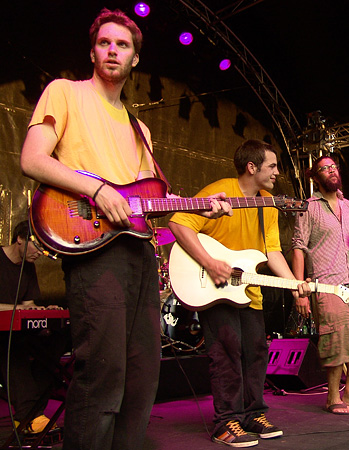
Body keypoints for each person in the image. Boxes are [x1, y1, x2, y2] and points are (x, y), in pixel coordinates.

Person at [19, 9, 229, 449]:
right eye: (105, 43)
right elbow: (33, 160)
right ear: (93, 51)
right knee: (102, 371)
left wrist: (198, 207)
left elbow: (143, 201)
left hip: (138, 251)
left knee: (141, 375)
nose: (113, 50)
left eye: (123, 45)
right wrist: (96, 189)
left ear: (135, 59)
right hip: (95, 250)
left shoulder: (141, 130)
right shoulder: (65, 92)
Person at [169, 139, 310, 448]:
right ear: (252, 167)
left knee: (257, 351)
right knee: (227, 352)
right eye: (272, 166)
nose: (277, 172)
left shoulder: (268, 202)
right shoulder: (219, 190)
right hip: (213, 287)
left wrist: (293, 284)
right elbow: (178, 223)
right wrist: (209, 262)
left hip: (249, 290)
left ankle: (252, 413)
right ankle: (225, 422)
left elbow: (272, 250)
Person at [291, 155, 349, 415]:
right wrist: (299, 290)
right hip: (325, 283)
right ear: (315, 177)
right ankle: (333, 397)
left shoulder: (347, 204)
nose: (331, 171)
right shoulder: (308, 206)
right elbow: (298, 248)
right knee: (337, 333)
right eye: (324, 168)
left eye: (333, 167)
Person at [0, 220, 67, 433]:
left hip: (17, 328)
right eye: (37, 246)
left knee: (56, 342)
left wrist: (45, 309)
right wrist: (19, 308)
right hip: (2, 334)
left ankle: (29, 415)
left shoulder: (28, 268)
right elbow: (19, 307)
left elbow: (29, 306)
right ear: (20, 239)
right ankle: (31, 415)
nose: (40, 253)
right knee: (12, 347)